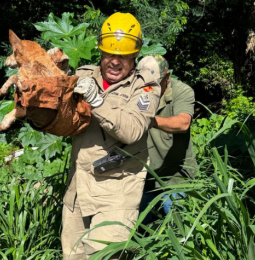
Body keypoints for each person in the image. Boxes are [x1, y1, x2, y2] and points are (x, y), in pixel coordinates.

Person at [61, 13, 161, 259]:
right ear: (101, 51)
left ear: (135, 55)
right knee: (73, 256)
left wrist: (96, 101)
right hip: (78, 188)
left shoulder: (145, 87)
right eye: (109, 54)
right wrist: (56, 77)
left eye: (124, 56)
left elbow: (132, 130)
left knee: (104, 256)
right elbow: (59, 120)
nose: (115, 62)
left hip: (117, 191)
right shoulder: (84, 76)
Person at [138, 54, 197, 223]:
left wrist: (148, 120)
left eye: (153, 83)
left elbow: (183, 123)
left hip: (176, 177)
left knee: (179, 230)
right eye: (143, 82)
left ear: (167, 77)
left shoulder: (182, 91)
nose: (148, 87)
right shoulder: (137, 92)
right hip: (144, 177)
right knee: (139, 231)